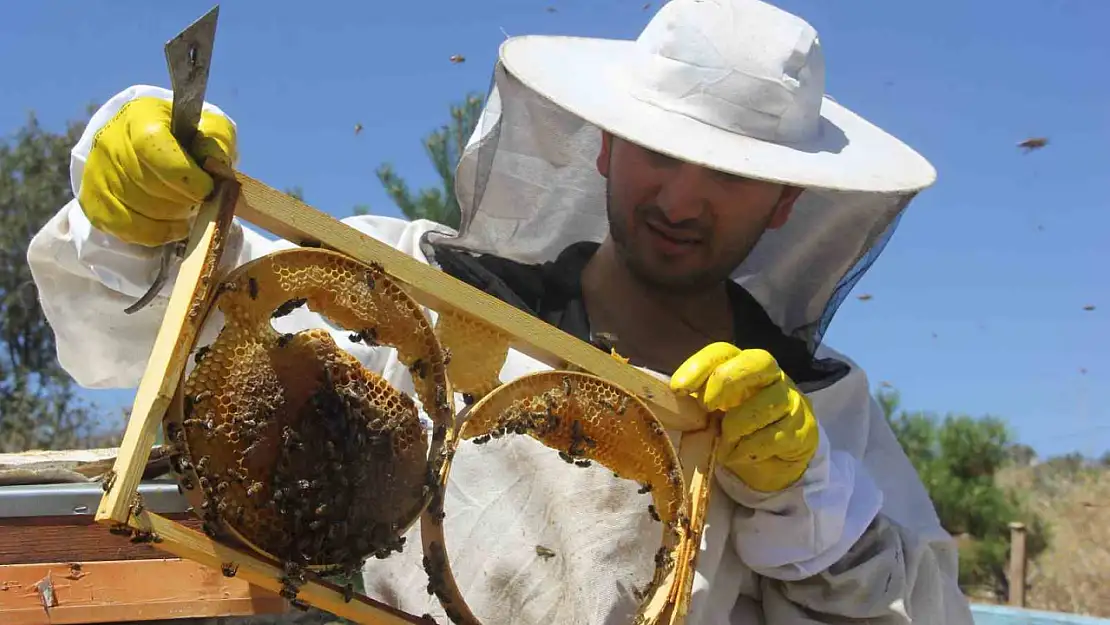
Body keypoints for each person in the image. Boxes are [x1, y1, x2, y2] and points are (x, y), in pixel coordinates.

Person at [26, 0, 975, 623]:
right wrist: (131, 216)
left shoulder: (826, 414)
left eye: (729, 176)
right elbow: (150, 325)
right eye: (660, 153)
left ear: (783, 201)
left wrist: (806, 501)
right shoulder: (430, 288)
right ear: (603, 146)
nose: (682, 202)